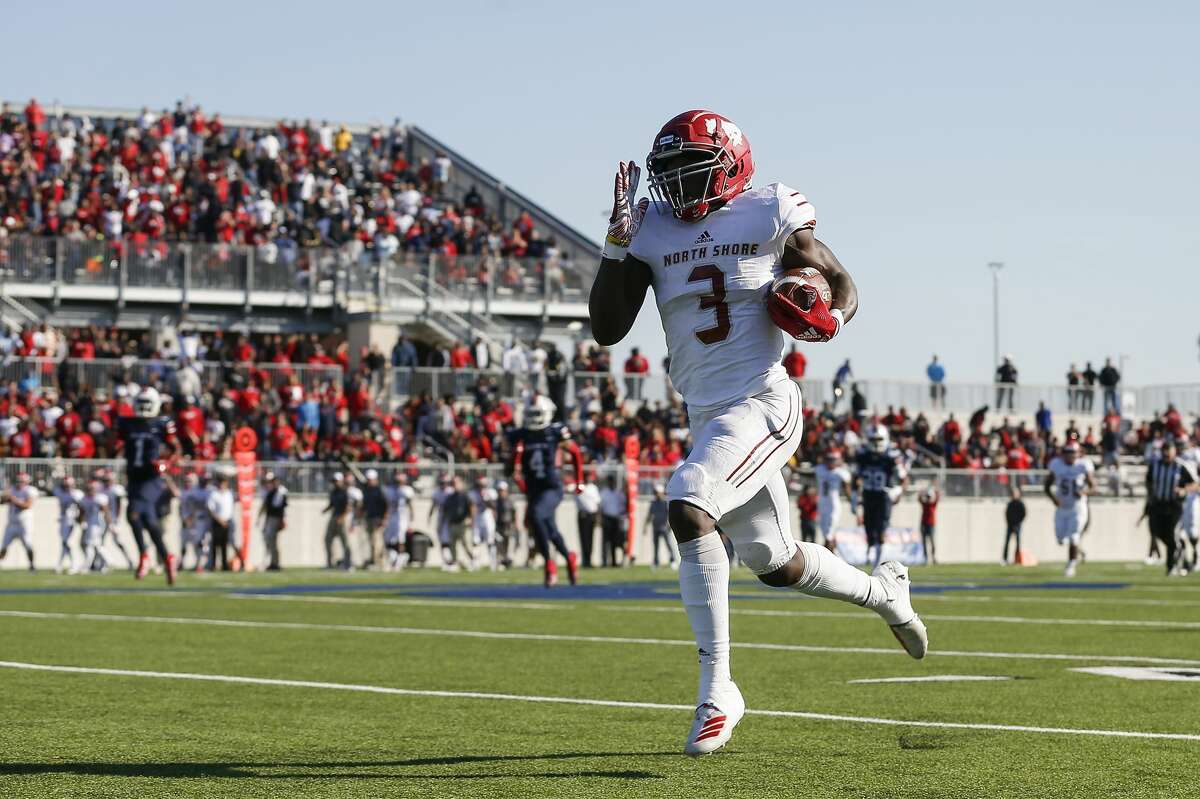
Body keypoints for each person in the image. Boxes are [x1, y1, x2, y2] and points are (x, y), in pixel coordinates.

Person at [588, 110, 926, 757]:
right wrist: (614, 245)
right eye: (670, 177)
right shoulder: (652, 229)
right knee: (776, 561)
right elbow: (608, 328)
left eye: (692, 172)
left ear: (731, 167)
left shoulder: (768, 210)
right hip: (707, 415)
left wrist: (831, 314)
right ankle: (884, 592)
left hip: (763, 403)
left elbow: (839, 280)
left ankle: (718, 690)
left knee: (688, 499)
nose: (679, 189)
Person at [509, 395, 582, 587]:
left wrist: (579, 481)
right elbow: (508, 470)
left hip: (552, 487)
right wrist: (514, 456)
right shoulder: (520, 435)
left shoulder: (554, 432)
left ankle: (550, 565)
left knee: (536, 515)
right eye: (530, 413)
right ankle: (569, 558)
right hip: (533, 489)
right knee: (550, 529)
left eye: (537, 413)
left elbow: (575, 452)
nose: (533, 417)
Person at [116, 387, 178, 584]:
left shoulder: (162, 423)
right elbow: (116, 443)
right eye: (140, 404)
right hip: (134, 476)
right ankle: (167, 557)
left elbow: (175, 448)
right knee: (149, 521)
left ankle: (144, 556)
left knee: (133, 514)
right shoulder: (127, 423)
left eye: (146, 404)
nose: (143, 408)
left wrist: (165, 463)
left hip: (151, 478)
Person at [855, 427, 908, 570]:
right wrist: (855, 496)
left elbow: (904, 479)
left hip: (883, 495)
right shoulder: (863, 456)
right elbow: (856, 478)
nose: (876, 443)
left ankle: (877, 564)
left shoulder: (891, 456)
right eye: (873, 439)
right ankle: (873, 557)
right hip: (868, 494)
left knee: (881, 530)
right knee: (869, 530)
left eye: (879, 439)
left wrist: (898, 491)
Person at [1044, 441, 1095, 577]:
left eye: (1073, 453)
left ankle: (1071, 564)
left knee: (1073, 537)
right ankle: (1079, 551)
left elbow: (1094, 487)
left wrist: (1084, 493)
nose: (1070, 456)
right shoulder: (1056, 465)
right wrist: (1054, 499)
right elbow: (1046, 486)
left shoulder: (1083, 465)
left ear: (1078, 453)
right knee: (1061, 539)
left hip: (1077, 507)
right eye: (1068, 453)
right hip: (1062, 507)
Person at [1146, 441, 1195, 575]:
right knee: (1158, 532)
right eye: (1164, 450)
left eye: (1169, 450)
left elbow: (1195, 484)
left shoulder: (1181, 466)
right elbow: (1149, 481)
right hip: (1158, 504)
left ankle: (1171, 566)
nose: (1166, 453)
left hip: (1174, 506)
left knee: (1172, 533)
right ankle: (1180, 549)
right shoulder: (1155, 465)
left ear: (1175, 451)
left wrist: (1183, 490)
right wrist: (1150, 497)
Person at [814, 450, 852, 550]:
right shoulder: (820, 469)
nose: (830, 462)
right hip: (822, 504)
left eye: (833, 459)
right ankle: (832, 555)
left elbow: (847, 488)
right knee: (826, 533)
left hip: (834, 505)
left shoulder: (841, 472)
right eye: (829, 459)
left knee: (829, 535)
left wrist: (851, 500)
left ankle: (827, 557)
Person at [1, 472, 38, 571]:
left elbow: (27, 505)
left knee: (28, 545)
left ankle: (32, 565)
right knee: (3, 547)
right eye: (18, 481)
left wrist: (12, 498)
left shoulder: (30, 491)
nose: (19, 483)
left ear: (26, 481)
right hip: (12, 523)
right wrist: (5, 497)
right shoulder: (11, 489)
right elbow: (2, 502)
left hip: (24, 524)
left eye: (22, 481)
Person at [382, 472, 414, 570]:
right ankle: (395, 558)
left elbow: (410, 504)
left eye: (400, 481)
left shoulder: (407, 490)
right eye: (397, 481)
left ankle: (399, 561)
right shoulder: (390, 490)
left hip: (402, 518)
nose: (398, 483)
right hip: (392, 517)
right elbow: (387, 504)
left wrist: (412, 517)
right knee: (388, 540)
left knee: (401, 540)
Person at [179, 473, 210, 572]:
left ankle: (199, 564)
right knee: (184, 544)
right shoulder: (185, 492)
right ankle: (181, 563)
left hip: (197, 522)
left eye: (190, 481)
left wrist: (190, 518)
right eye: (186, 480)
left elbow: (196, 507)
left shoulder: (197, 492)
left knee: (199, 543)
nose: (187, 483)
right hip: (187, 521)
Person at [53, 476, 83, 574]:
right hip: (63, 521)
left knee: (68, 543)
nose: (66, 487)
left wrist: (79, 519)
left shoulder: (77, 494)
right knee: (64, 543)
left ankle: (74, 565)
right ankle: (60, 565)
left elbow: (82, 508)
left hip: (73, 521)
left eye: (68, 485)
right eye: (65, 485)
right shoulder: (59, 492)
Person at [259, 471, 288, 571]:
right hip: (270, 518)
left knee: (273, 542)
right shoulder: (271, 492)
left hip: (275, 519)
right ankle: (273, 562)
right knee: (270, 541)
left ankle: (275, 563)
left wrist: (281, 520)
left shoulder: (281, 492)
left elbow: (280, 508)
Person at [469, 474, 499, 570]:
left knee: (490, 540)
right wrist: (472, 520)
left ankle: (493, 562)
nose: (481, 486)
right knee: (476, 541)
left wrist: (486, 499)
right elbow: (472, 507)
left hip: (488, 517)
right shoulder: (473, 493)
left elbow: (494, 507)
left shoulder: (491, 492)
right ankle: (475, 563)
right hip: (478, 517)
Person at [206, 473, 236, 572]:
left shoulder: (229, 493)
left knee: (225, 544)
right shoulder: (214, 494)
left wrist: (227, 521)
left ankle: (224, 565)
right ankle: (213, 564)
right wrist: (220, 520)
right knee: (215, 544)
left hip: (228, 521)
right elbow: (211, 510)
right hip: (217, 522)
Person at [644, 483, 677, 568]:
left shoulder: (666, 503)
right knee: (656, 546)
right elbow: (649, 515)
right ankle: (656, 562)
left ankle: (672, 560)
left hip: (664, 527)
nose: (656, 494)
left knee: (668, 545)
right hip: (655, 527)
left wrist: (669, 525)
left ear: (661, 493)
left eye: (657, 492)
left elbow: (669, 515)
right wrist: (645, 526)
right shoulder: (653, 503)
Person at [323, 472, 352, 570]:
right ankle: (329, 562)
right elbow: (332, 504)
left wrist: (343, 517)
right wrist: (325, 509)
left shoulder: (345, 492)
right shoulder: (333, 491)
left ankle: (348, 563)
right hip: (334, 517)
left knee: (345, 541)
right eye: (334, 481)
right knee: (327, 539)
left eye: (336, 481)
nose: (335, 483)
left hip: (341, 518)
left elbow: (348, 507)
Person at [361, 469, 388, 569]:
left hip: (377, 518)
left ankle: (378, 562)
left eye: (371, 479)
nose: (369, 481)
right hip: (369, 518)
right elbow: (365, 505)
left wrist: (384, 518)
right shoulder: (367, 490)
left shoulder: (380, 490)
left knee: (376, 541)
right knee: (372, 542)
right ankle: (374, 561)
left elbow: (386, 505)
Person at [599, 475, 628, 566]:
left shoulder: (618, 494)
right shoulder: (604, 493)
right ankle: (604, 561)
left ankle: (614, 561)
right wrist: (600, 519)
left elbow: (623, 506)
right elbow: (601, 508)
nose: (611, 484)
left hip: (616, 519)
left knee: (614, 541)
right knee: (605, 541)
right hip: (607, 518)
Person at [575, 473, 601, 568]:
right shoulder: (580, 487)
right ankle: (585, 561)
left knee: (590, 539)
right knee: (583, 539)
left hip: (591, 515)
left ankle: (589, 560)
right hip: (582, 515)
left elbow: (597, 502)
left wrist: (598, 517)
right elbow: (578, 499)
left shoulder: (593, 488)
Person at [918, 481, 940, 565]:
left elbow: (937, 497)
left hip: (931, 524)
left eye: (929, 497)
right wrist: (922, 491)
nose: (928, 498)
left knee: (932, 541)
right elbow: (919, 499)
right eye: (927, 497)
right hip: (923, 524)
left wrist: (935, 489)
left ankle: (933, 557)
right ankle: (925, 558)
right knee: (924, 542)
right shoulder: (924, 504)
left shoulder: (932, 505)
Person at [1003, 485, 1026, 565]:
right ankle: (1004, 559)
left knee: (1018, 543)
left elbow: (1023, 514)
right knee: (1007, 542)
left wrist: (1018, 522)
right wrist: (1010, 522)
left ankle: (1017, 559)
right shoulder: (1010, 504)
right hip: (1010, 525)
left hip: (1017, 525)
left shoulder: (1020, 504)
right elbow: (1007, 514)